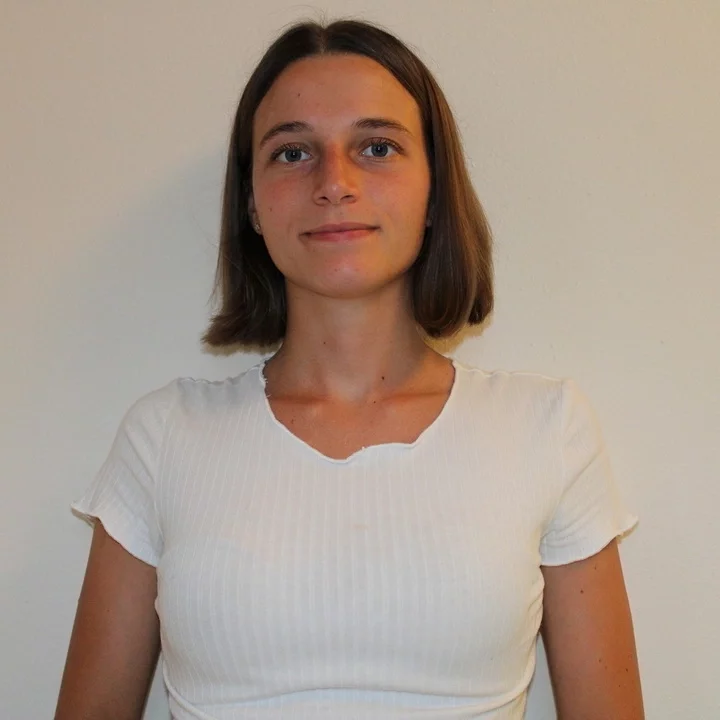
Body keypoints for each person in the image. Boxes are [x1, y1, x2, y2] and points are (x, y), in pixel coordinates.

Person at [55, 17, 644, 720]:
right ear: (251, 203)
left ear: (434, 190)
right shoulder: (163, 438)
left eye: (377, 147)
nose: (334, 183)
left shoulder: (547, 430)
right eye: (293, 152)